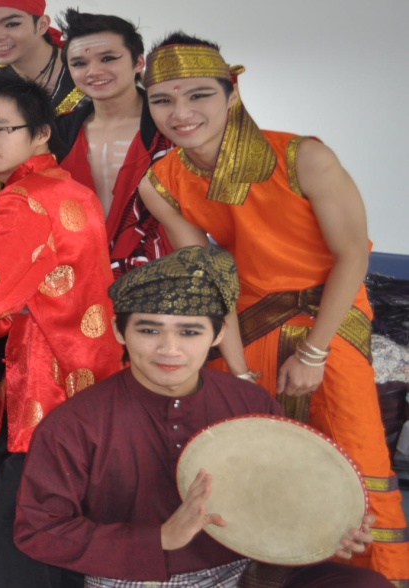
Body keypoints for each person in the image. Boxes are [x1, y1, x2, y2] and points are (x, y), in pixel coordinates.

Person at [138, 34, 409, 582]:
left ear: (232, 93)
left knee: (355, 458)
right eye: (163, 100)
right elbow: (212, 278)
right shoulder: (160, 182)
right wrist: (238, 374)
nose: (180, 113)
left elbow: (353, 253)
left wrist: (315, 353)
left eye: (198, 95)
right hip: (245, 319)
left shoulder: (303, 156)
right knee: (244, 457)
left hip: (331, 315)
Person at [15, 244, 392, 588]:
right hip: (136, 577)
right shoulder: (75, 424)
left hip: (246, 569)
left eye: (190, 332)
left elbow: (281, 493)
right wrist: (159, 538)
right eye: (149, 330)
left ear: (218, 334)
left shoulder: (248, 402)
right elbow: (38, 531)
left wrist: (328, 529)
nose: (169, 349)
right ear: (119, 331)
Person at [0, 76, 122, 586]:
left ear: (40, 132)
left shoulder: (19, 200)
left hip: (44, 389)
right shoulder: (73, 189)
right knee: (65, 535)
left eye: (0, 128)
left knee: (17, 544)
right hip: (93, 381)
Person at [50, 10, 172, 277]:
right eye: (79, 63)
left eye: (108, 58)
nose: (94, 71)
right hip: (77, 275)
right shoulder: (56, 134)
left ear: (138, 62)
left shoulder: (171, 128)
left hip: (160, 276)